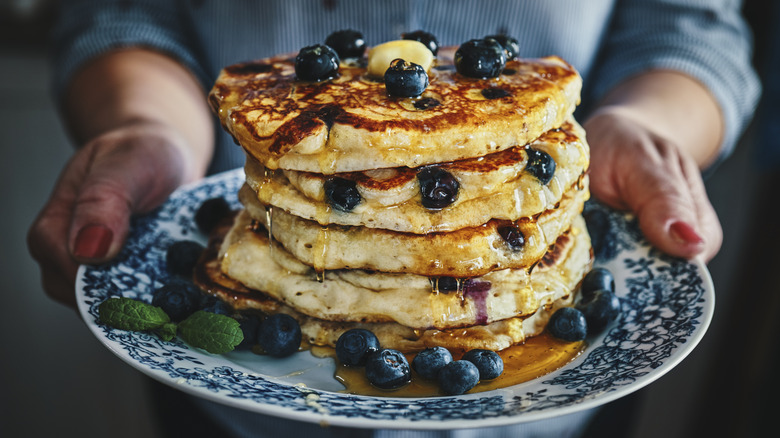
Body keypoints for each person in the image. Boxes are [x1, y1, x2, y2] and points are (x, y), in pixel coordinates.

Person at [27, 0, 759, 436]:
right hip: (240, 413)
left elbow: (689, 25)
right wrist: (147, 126)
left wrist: (641, 123)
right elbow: (119, 12)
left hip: (553, 420)